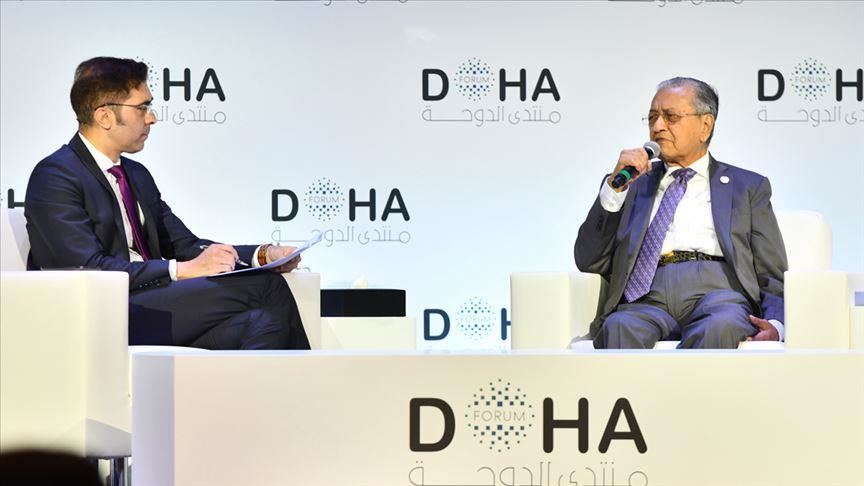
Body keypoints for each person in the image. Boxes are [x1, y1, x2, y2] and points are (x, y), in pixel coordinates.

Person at [25, 57, 310, 350]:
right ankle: (314, 379)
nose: (151, 118)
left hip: (154, 304)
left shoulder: (136, 175)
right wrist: (180, 270)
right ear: (105, 116)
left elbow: (184, 245)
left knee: (265, 322)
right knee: (266, 287)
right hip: (102, 314)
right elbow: (88, 269)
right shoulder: (56, 176)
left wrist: (262, 256)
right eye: (142, 108)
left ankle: (270, 381)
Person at [574, 77, 787, 349]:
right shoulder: (631, 184)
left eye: (670, 117)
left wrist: (777, 324)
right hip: (645, 298)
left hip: (718, 294)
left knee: (721, 325)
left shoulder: (746, 187)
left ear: (705, 125)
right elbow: (588, 260)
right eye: (652, 117)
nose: (657, 127)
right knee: (619, 327)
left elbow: (771, 270)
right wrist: (614, 191)